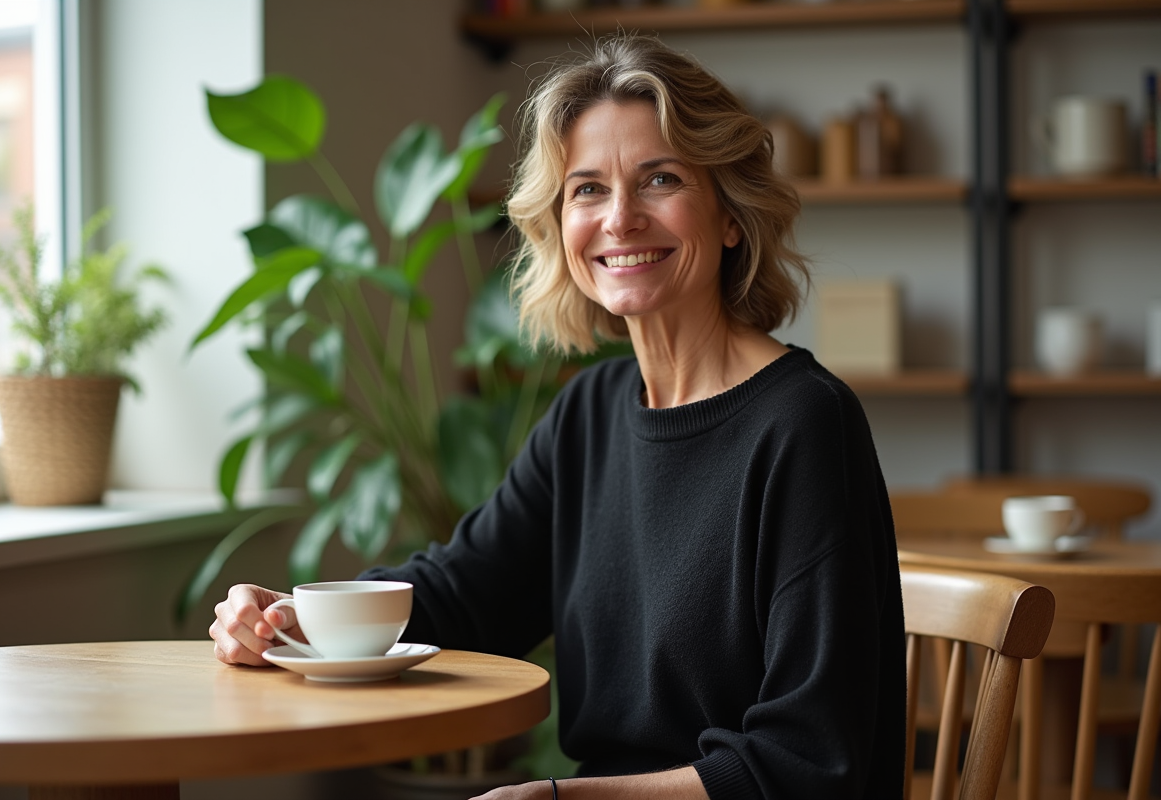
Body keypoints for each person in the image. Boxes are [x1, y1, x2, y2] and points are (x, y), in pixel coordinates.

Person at [212, 33, 904, 800]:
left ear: (731, 214)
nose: (620, 219)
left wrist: (557, 799)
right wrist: (294, 618)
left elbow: (809, 765)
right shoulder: (589, 416)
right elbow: (464, 594)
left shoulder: (804, 425)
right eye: (587, 189)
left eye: (660, 179)